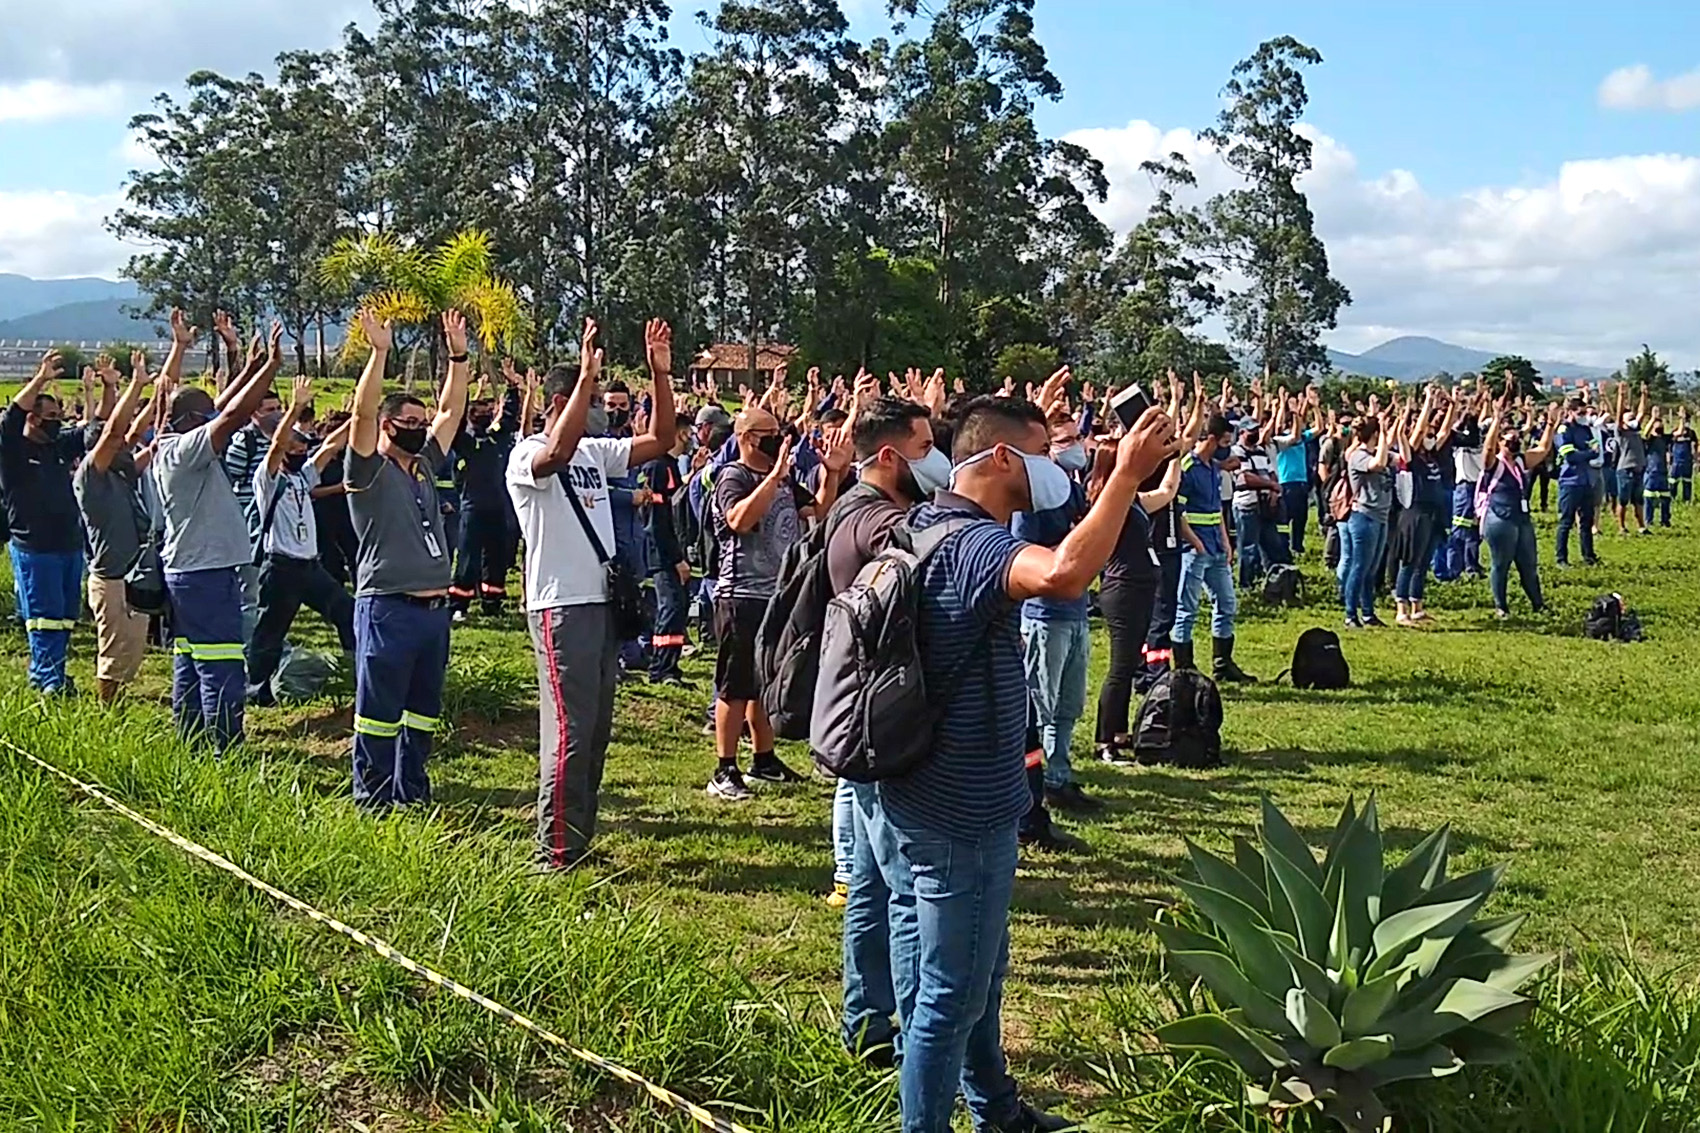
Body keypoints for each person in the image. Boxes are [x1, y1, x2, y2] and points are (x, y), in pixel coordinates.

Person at [864, 395, 1174, 1133]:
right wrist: (1125, 476)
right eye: (1045, 449)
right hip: (958, 804)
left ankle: (994, 1106)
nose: (1057, 462)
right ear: (1003, 458)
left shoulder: (929, 523)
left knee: (973, 972)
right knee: (950, 993)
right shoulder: (974, 544)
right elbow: (1066, 573)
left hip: (933, 790)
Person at [506, 317, 676, 868]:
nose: (601, 408)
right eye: (591, 398)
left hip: (601, 604)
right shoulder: (526, 455)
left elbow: (663, 441)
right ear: (562, 402)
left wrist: (661, 375)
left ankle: (577, 839)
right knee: (570, 730)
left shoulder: (597, 454)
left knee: (596, 729)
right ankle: (553, 849)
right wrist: (583, 377)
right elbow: (554, 456)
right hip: (560, 606)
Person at [822, 396, 948, 1062]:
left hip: (863, 716)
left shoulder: (848, 507)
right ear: (893, 455)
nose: (940, 459)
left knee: (871, 885)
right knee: (903, 891)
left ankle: (867, 1025)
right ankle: (912, 1039)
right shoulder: (879, 523)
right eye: (927, 446)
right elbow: (921, 569)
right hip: (883, 721)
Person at [344, 309, 472, 809]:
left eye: (421, 423)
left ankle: (411, 793)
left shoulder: (423, 465)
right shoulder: (368, 472)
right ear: (388, 426)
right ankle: (372, 800)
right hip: (387, 608)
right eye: (408, 423)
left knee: (421, 714)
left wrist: (459, 356)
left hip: (433, 613)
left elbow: (452, 412)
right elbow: (360, 415)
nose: (420, 429)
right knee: (378, 714)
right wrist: (379, 353)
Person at [153, 315, 284, 750]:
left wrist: (249, 366)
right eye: (204, 414)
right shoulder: (184, 450)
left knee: (192, 660)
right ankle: (225, 749)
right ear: (192, 420)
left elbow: (222, 405)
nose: (213, 419)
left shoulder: (174, 443)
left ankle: (190, 741)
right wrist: (270, 370)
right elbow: (229, 414)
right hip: (206, 573)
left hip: (192, 571)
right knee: (222, 663)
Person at [706, 405, 848, 800]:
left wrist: (832, 474)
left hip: (775, 592)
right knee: (735, 685)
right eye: (769, 432)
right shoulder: (733, 475)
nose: (780, 438)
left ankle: (763, 758)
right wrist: (772, 478)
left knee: (762, 681)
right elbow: (738, 520)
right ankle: (724, 767)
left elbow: (818, 510)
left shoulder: (783, 478)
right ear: (749, 438)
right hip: (741, 594)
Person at [245, 376, 357, 705]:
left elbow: (330, 447)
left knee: (347, 611)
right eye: (295, 444)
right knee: (270, 631)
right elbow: (277, 445)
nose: (301, 448)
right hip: (280, 568)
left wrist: (360, 416)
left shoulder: (301, 477)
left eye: (303, 444)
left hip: (310, 567)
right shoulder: (268, 478)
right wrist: (294, 408)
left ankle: (354, 668)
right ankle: (255, 688)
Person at [2, 350, 106, 694]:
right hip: (35, 547)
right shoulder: (13, 450)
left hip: (68, 545)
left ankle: (55, 673)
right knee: (43, 617)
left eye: (58, 416)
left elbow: (95, 430)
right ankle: (47, 678)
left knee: (63, 617)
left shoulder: (56, 447)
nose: (56, 421)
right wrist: (42, 378)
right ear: (33, 418)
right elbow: (11, 417)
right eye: (49, 416)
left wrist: (109, 389)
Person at [1012, 413, 1097, 811]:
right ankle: (1040, 782)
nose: (1074, 447)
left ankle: (1060, 774)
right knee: (1042, 702)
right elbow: (1023, 554)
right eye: (1062, 441)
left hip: (1077, 609)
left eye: (1076, 438)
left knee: (1069, 703)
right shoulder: (1031, 500)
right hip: (1044, 614)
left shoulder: (1071, 488)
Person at [74, 352, 159, 702]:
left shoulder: (123, 472)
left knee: (132, 651)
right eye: (119, 444)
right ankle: (107, 713)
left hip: (134, 576)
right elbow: (112, 434)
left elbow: (146, 435)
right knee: (112, 653)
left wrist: (161, 394)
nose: (127, 445)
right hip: (110, 579)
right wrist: (136, 384)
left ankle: (118, 702)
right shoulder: (90, 477)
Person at [1092, 443, 1182, 762]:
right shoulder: (1110, 502)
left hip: (1141, 587)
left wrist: (1174, 457)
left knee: (1130, 666)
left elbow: (1168, 491)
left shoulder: (1133, 500)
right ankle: (1104, 740)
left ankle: (1117, 732)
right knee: (1120, 668)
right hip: (1124, 589)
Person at [1174, 414, 1255, 681]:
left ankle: (1223, 664)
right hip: (1194, 550)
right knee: (1187, 609)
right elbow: (1178, 512)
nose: (1228, 447)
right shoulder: (1188, 468)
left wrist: (1226, 540)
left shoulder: (1213, 468)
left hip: (1216, 547)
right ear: (1211, 439)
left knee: (1227, 603)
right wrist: (1195, 543)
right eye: (1224, 442)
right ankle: (1184, 669)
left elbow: (1217, 508)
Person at [448, 368, 522, 618]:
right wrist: (464, 389)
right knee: (468, 558)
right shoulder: (464, 443)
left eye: (489, 414)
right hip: (472, 508)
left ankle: (492, 603)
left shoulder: (495, 439)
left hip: (497, 507)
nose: (487, 417)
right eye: (482, 414)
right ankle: (459, 605)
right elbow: (454, 418)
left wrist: (513, 388)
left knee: (496, 557)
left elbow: (509, 417)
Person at [1481, 404, 1558, 618]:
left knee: (1529, 564)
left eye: (1516, 440)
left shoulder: (1520, 462)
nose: (1514, 443)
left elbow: (1542, 449)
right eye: (1508, 441)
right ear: (1500, 443)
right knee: (1501, 564)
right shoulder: (1493, 463)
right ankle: (1501, 607)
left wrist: (1551, 424)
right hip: (1499, 518)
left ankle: (1538, 605)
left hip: (1521, 518)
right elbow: (1487, 450)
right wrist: (1496, 421)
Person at [640, 412, 695, 685]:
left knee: (678, 607)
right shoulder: (657, 467)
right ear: (680, 433)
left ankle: (671, 667)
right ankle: (659, 669)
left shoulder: (671, 466)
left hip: (674, 551)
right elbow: (656, 521)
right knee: (670, 607)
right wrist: (674, 559)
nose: (690, 438)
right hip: (662, 555)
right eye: (687, 432)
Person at [1391, 389, 1454, 625]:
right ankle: (1401, 610)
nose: (1429, 434)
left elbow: (1446, 431)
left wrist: (1452, 406)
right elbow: (1416, 432)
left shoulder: (1431, 455)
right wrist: (1428, 401)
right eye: (1426, 432)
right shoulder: (1410, 456)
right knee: (1409, 561)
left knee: (1423, 561)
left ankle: (1417, 606)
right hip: (1414, 513)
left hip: (1433, 512)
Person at [1339, 413, 1394, 629]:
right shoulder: (1358, 456)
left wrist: (1393, 429)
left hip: (1380, 516)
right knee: (1359, 567)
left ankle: (1369, 613)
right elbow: (1378, 463)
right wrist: (1382, 430)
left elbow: (1404, 458)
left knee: (1371, 569)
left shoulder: (1379, 451)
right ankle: (1351, 614)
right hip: (1364, 517)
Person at [1228, 417, 1283, 588]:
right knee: (1248, 548)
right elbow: (1245, 477)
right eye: (1251, 431)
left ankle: (1275, 582)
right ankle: (1246, 584)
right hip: (1246, 505)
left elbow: (1271, 471)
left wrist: (1274, 489)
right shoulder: (1235, 452)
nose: (1255, 433)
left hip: (1265, 504)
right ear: (1242, 432)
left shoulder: (1260, 450)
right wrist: (1270, 484)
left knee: (1272, 545)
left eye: (1257, 430)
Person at [1271, 387, 1321, 557]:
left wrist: (1314, 407)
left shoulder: (1302, 437)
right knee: (1286, 517)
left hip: (1301, 482)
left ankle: (1297, 547)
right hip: (1286, 483)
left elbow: (1319, 428)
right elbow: (1283, 428)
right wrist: (1283, 404)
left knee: (1302, 517)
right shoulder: (1282, 439)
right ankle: (1283, 548)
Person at [1554, 395, 1601, 568]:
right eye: (1580, 412)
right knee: (1566, 522)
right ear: (1570, 412)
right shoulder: (1563, 430)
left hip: (1586, 480)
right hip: (1570, 481)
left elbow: (1597, 450)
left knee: (1586, 521)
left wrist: (1586, 453)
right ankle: (1561, 559)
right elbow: (1570, 456)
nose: (1583, 415)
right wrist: (1588, 453)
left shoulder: (1585, 429)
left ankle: (1588, 556)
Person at [1614, 382, 1649, 536]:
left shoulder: (1635, 431)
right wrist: (1621, 395)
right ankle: (1621, 527)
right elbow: (1618, 414)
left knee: (1639, 500)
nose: (1633, 420)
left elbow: (1641, 412)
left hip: (1639, 468)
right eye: (1630, 418)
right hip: (1625, 469)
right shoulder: (1621, 431)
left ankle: (1641, 526)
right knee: (1623, 500)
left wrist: (1644, 396)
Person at [1643, 408, 1673, 530]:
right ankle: (1648, 520)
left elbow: (1679, 432)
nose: (1659, 425)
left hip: (1663, 472)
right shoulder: (1649, 440)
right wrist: (1653, 418)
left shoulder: (1665, 438)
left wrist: (1682, 419)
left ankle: (1665, 520)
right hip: (1651, 471)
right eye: (1657, 423)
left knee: (1665, 497)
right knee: (1649, 497)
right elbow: (1645, 433)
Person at [1672, 408, 1695, 504]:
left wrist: (1696, 459)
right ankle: (1672, 498)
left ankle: (1687, 500)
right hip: (1676, 461)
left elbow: (1695, 446)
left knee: (1687, 481)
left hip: (1687, 461)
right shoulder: (1675, 431)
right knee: (1673, 481)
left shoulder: (1691, 433)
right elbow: (1669, 445)